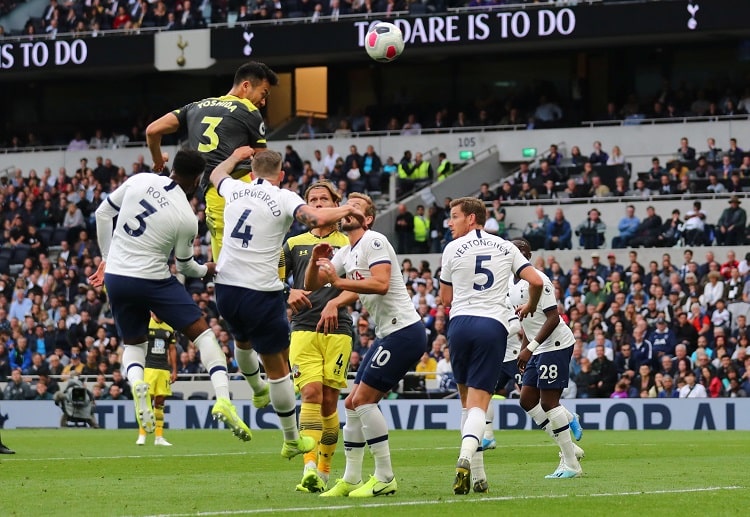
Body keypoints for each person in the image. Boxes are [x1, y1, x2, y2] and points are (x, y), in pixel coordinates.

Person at [209, 148, 364, 459]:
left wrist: (235, 156)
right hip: (268, 297)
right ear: (281, 176)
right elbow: (315, 218)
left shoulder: (235, 188)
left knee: (242, 341)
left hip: (226, 286)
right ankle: (294, 442)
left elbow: (215, 175)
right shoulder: (285, 202)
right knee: (281, 371)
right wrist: (349, 208)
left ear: (251, 172)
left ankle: (256, 389)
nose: (319, 205)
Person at [88, 149, 252, 442]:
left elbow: (102, 213)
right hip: (153, 280)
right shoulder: (187, 218)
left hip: (117, 276)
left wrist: (106, 258)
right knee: (205, 337)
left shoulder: (139, 180)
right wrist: (208, 269)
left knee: (134, 345)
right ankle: (224, 398)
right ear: (197, 180)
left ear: (173, 167)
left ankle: (137, 383)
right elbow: (185, 266)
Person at [305, 192, 426, 498]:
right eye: (346, 205)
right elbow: (313, 284)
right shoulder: (347, 251)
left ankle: (385, 477)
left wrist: (338, 286)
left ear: (367, 219)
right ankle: (351, 478)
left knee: (362, 402)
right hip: (388, 333)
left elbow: (380, 284)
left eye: (355, 207)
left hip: (405, 331)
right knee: (351, 403)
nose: (347, 210)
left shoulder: (374, 240)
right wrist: (315, 261)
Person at [438, 199, 543, 495]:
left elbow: (445, 300)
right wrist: (530, 306)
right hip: (492, 325)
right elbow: (534, 280)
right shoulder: (506, 246)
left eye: (454, 217)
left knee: (466, 404)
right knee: (479, 405)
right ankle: (466, 458)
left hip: (459, 325)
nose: (450, 222)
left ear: (471, 218)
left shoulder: (451, 249)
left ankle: (479, 477)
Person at [145, 61, 279, 260]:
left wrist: (157, 160)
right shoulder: (249, 111)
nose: (263, 102)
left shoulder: (194, 107)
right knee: (257, 256)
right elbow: (264, 164)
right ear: (246, 86)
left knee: (224, 266)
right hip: (242, 188)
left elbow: (152, 130)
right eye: (264, 93)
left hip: (215, 194)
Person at [281, 181, 356, 493]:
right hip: (303, 327)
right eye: (313, 199)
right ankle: (309, 467)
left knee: (329, 401)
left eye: (324, 198)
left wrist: (337, 303)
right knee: (310, 393)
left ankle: (325, 472)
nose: (319, 203)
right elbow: (272, 279)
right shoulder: (293, 243)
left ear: (335, 204)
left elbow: (360, 283)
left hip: (339, 328)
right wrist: (290, 291)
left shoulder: (351, 242)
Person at [513, 238, 584, 479]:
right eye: (514, 251)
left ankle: (571, 463)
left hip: (555, 343)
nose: (518, 255)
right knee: (526, 399)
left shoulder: (538, 279)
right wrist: (524, 350)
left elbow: (553, 318)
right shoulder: (509, 285)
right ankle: (569, 425)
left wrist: (529, 348)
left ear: (528, 256)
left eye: (522, 252)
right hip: (536, 346)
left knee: (548, 403)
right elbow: (528, 323)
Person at [136, 314, 177, 447]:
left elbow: (172, 349)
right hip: (149, 368)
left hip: (163, 369)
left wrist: (174, 370)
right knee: (146, 402)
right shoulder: (146, 324)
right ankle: (142, 434)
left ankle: (159, 437)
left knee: (160, 403)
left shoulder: (170, 326)